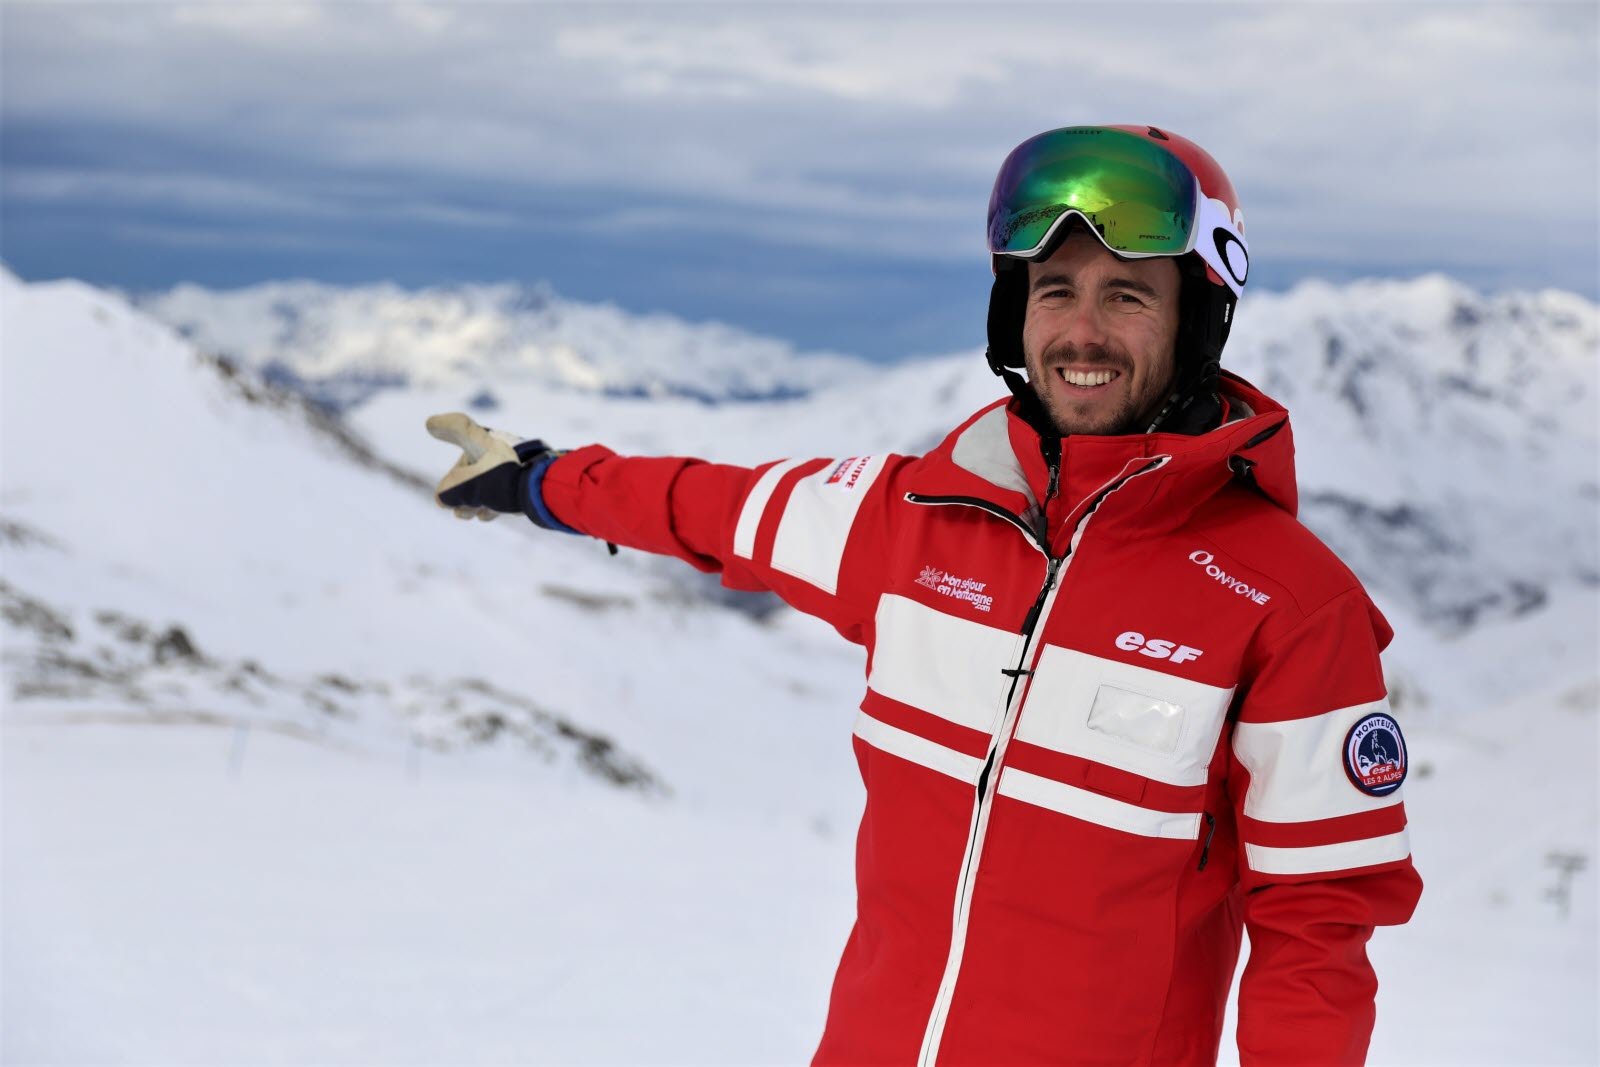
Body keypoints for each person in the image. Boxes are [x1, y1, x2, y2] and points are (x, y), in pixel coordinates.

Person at [425, 125, 1422, 1066]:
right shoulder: (910, 517)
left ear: (1196, 317)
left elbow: (1318, 924)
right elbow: (705, 506)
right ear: (1012, 311)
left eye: (1127, 295)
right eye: (1054, 289)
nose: (1081, 329)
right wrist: (537, 480)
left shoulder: (1289, 600)